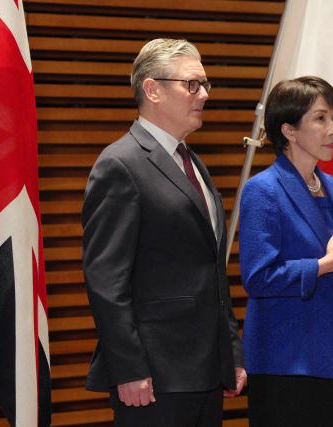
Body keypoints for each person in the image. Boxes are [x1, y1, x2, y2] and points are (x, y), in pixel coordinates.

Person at [82, 38, 246, 427]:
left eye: (205, 84)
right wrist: (128, 368)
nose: (204, 94)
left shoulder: (192, 163)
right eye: (192, 84)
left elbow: (210, 272)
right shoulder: (120, 164)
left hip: (205, 371)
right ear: (152, 89)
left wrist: (231, 354)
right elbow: (106, 280)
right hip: (153, 377)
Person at [239, 76, 333, 426]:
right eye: (321, 119)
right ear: (289, 131)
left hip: (325, 355)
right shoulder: (262, 190)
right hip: (285, 361)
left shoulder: (331, 185)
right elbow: (259, 278)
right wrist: (324, 264)